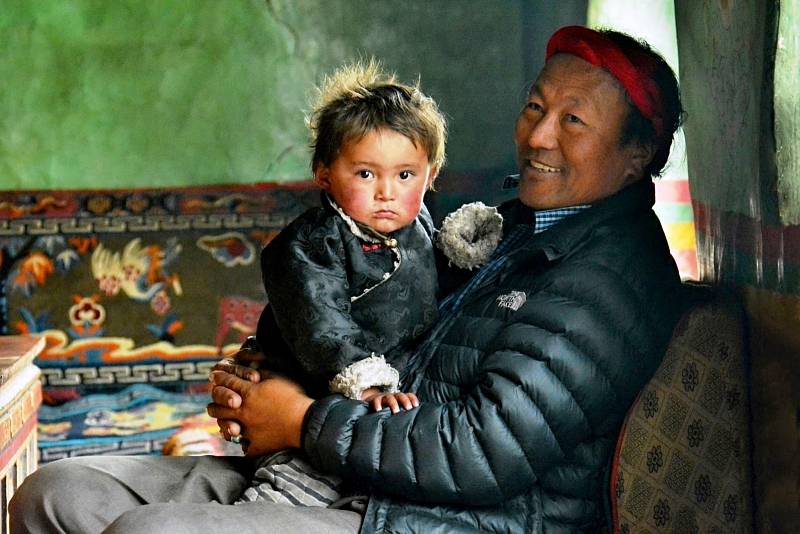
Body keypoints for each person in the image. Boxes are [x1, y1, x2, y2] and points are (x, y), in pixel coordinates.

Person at [10, 25, 687, 533]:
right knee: (52, 493)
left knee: (148, 533)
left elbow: (482, 452)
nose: (539, 137)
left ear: (637, 156)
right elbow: (371, 318)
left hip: (440, 518)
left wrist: (300, 420)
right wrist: (264, 380)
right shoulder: (513, 231)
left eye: (574, 122)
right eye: (536, 109)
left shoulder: (607, 279)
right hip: (350, 472)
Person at [236, 59, 447, 506]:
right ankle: (265, 504)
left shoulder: (422, 229)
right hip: (311, 384)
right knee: (297, 482)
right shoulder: (313, 243)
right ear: (324, 173)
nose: (386, 192)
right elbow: (321, 324)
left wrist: (470, 245)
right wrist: (366, 381)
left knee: (376, 472)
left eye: (404, 175)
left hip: (379, 402)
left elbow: (450, 274)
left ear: (431, 176)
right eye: (365, 173)